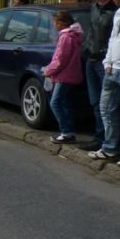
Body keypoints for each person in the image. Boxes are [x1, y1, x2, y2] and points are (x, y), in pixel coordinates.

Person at [90, 0, 120, 164]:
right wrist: (108, 62)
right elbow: (113, 39)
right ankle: (110, 148)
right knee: (106, 108)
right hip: (112, 69)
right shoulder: (119, 13)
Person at [80, 0, 120, 151]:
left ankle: (111, 139)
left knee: (108, 104)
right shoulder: (93, 7)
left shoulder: (116, 12)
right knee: (95, 102)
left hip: (105, 61)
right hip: (90, 59)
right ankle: (100, 137)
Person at [41, 11, 84, 144]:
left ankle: (66, 132)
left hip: (64, 75)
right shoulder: (73, 35)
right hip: (70, 74)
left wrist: (49, 70)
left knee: (55, 102)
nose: (54, 25)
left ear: (61, 23)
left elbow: (60, 59)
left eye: (55, 22)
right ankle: (69, 131)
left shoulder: (65, 37)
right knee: (65, 102)